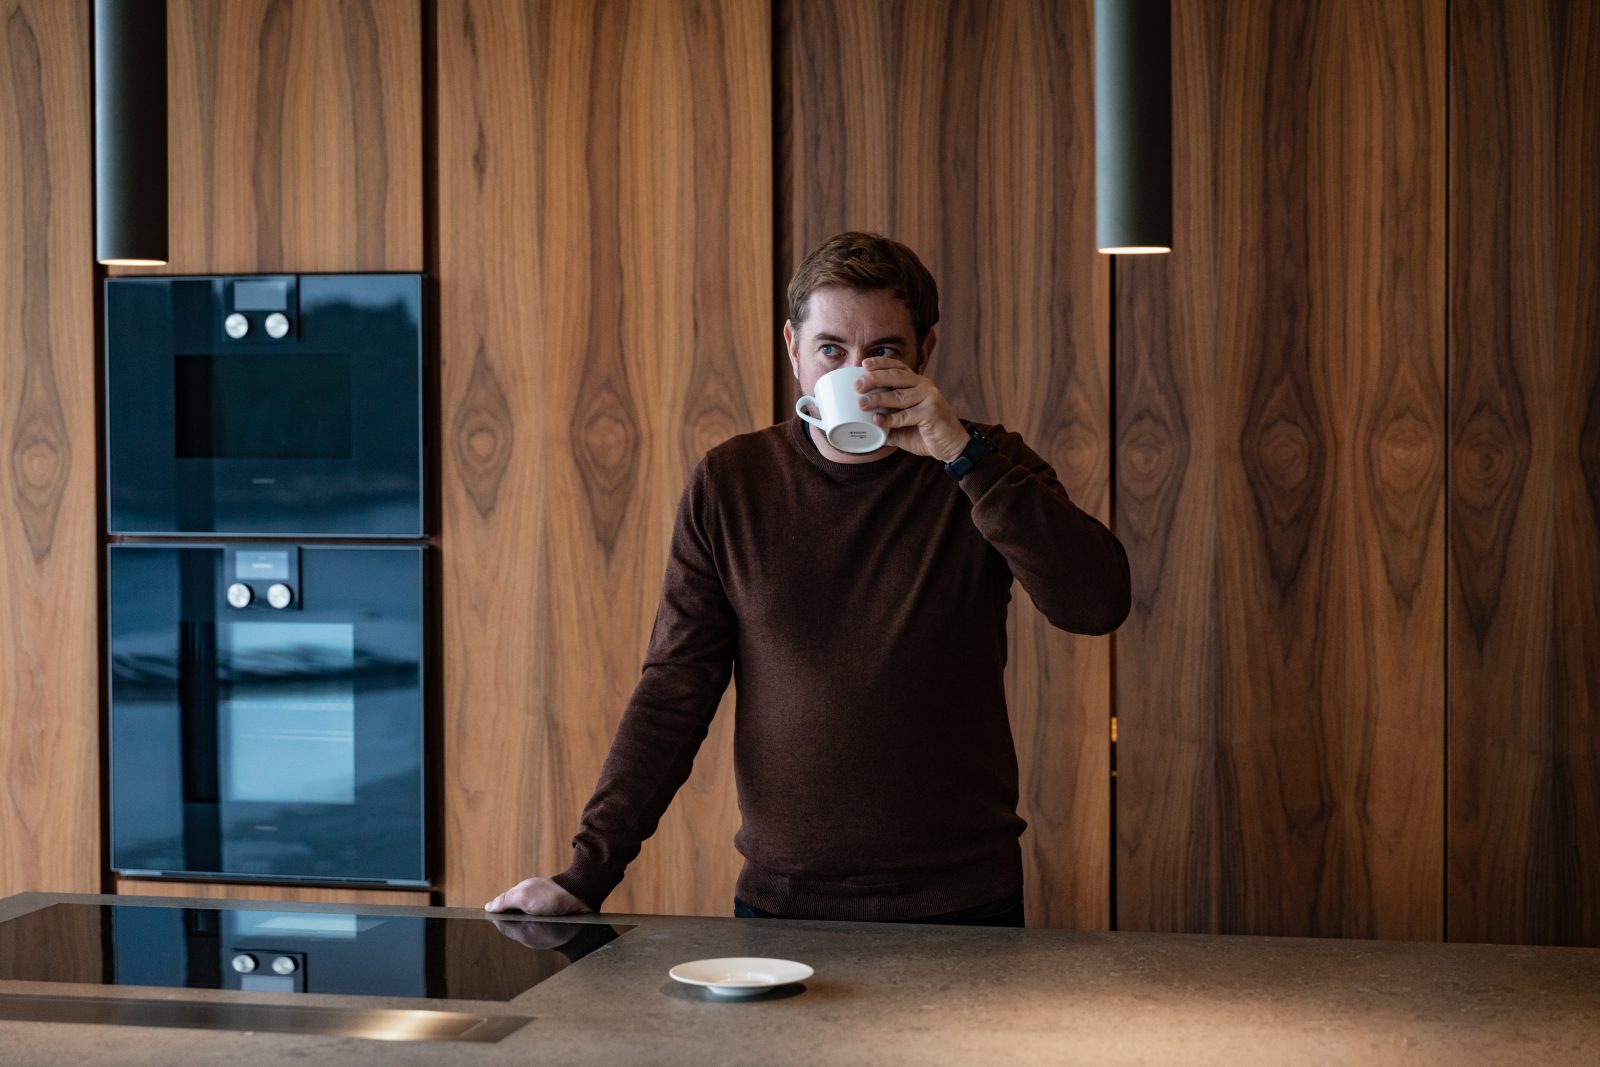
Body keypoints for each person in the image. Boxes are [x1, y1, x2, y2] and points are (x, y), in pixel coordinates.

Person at [485, 232, 1130, 927]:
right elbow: (675, 688)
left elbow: (1097, 603)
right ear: (794, 350)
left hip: (965, 901)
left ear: (926, 353)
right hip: (783, 905)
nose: (859, 372)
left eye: (884, 351)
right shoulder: (732, 483)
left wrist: (959, 455)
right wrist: (586, 873)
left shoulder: (986, 464)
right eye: (832, 350)